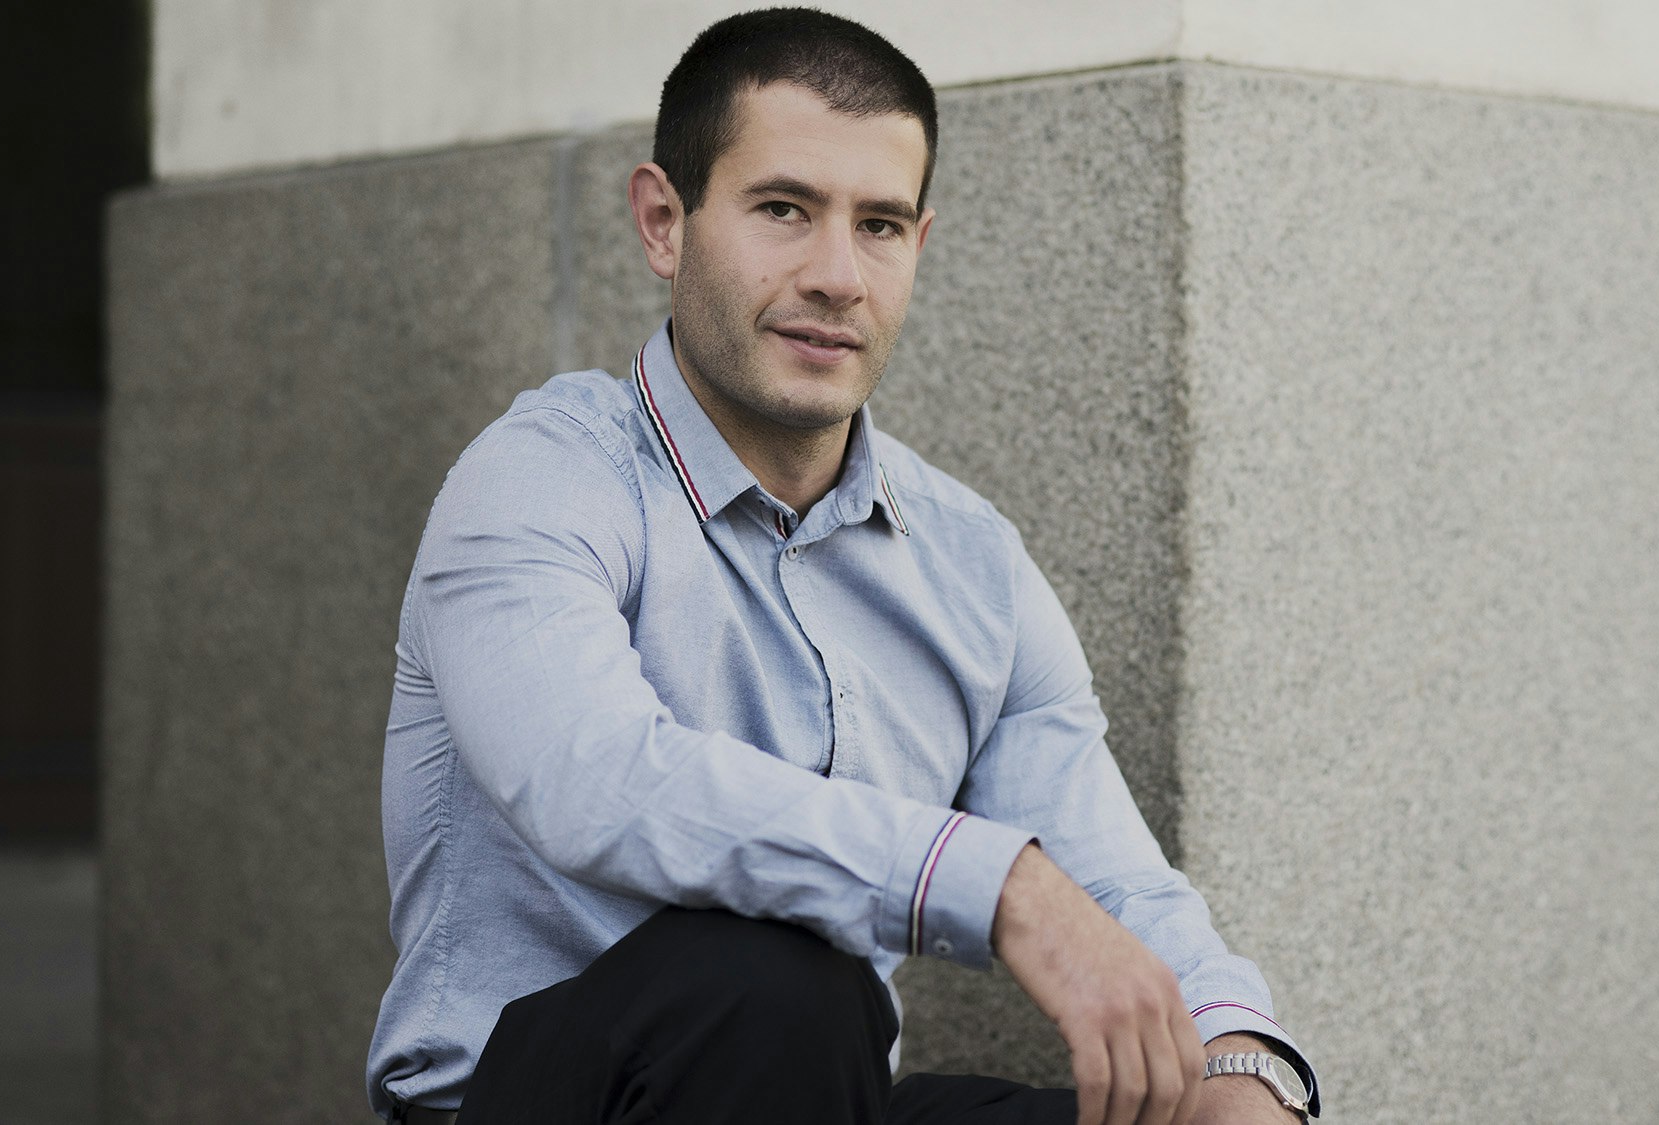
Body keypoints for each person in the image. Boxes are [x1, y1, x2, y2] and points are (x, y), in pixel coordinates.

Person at [366, 8, 1318, 1124]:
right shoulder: (541, 478)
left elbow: (1110, 882)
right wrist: (993, 884)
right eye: (782, 210)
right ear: (662, 222)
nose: (835, 275)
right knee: (774, 982)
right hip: (535, 1102)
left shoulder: (969, 561)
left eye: (877, 226)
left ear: (919, 248)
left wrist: (1237, 1059)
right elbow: (600, 782)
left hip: (815, 1098)